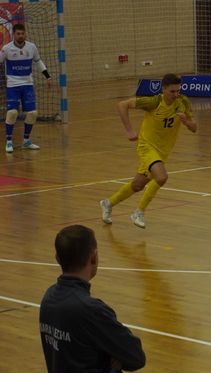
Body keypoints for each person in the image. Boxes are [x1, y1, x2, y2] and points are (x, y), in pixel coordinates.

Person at [40, 225, 145, 372]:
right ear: (94, 257)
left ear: (57, 258)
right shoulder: (91, 311)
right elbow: (136, 357)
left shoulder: (48, 298)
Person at [99, 73, 197, 228]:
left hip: (162, 152)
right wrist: (129, 130)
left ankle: (108, 203)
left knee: (137, 185)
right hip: (147, 146)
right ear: (164, 89)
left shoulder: (183, 102)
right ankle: (139, 212)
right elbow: (122, 105)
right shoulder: (153, 102)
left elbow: (194, 128)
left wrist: (186, 122)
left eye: (178, 91)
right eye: (172, 91)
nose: (176, 94)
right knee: (162, 177)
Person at [0, 23, 51, 153]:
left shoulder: (31, 47)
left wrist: (47, 76)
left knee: (32, 113)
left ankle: (26, 141)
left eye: (22, 34)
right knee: (12, 113)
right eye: (18, 34)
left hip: (28, 84)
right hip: (13, 85)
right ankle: (9, 141)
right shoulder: (6, 49)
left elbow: (38, 61)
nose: (21, 36)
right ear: (14, 35)